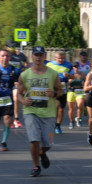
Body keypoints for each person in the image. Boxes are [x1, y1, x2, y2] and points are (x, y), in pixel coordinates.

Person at [16, 46, 65, 177]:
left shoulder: (52, 74)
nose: (38, 57)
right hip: (30, 111)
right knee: (34, 140)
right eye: (36, 55)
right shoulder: (25, 75)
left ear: (44, 57)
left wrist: (53, 93)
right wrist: (23, 101)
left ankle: (42, 153)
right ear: (32, 56)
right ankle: (36, 166)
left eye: (41, 55)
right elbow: (18, 94)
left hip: (48, 113)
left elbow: (60, 91)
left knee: (48, 143)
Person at [0, 47, 20, 151]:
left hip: (8, 99)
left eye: (7, 56)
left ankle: (4, 142)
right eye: (2, 56)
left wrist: (18, 87)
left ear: (10, 58)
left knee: (8, 119)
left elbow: (20, 83)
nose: (5, 58)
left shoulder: (15, 70)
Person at [46, 50, 74, 134]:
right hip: (53, 88)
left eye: (62, 58)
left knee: (61, 109)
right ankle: (51, 123)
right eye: (59, 58)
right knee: (55, 106)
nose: (61, 60)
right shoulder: (49, 65)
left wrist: (68, 75)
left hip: (63, 89)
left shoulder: (68, 65)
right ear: (55, 58)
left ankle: (58, 125)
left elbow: (74, 76)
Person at [68, 50, 91, 129]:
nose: (76, 68)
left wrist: (84, 85)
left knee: (80, 104)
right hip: (71, 91)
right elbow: (68, 83)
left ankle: (79, 118)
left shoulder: (82, 73)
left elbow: (85, 81)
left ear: (78, 67)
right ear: (72, 67)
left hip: (80, 90)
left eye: (77, 66)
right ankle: (71, 121)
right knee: (71, 108)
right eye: (74, 66)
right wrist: (70, 82)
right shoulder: (70, 73)